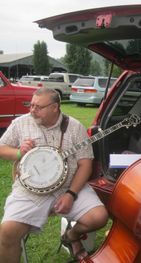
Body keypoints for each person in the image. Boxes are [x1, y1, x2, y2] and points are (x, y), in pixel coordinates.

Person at [0, 87, 108, 262]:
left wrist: (71, 194)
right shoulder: (21, 123)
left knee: (98, 217)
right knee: (8, 232)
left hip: (69, 186)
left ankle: (71, 235)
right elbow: (1, 148)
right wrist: (19, 153)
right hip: (30, 191)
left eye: (38, 107)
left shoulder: (75, 127)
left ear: (55, 107)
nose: (32, 110)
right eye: (31, 105)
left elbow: (85, 165)